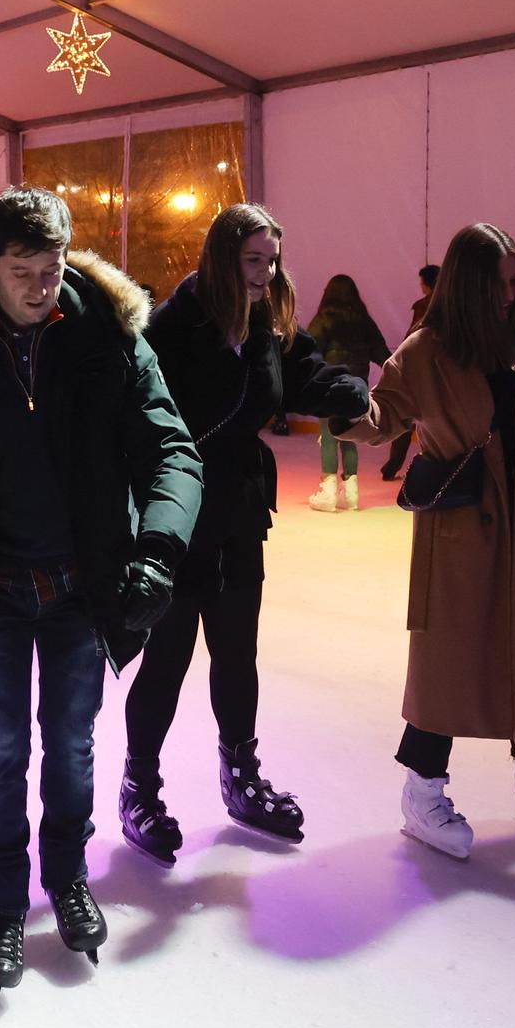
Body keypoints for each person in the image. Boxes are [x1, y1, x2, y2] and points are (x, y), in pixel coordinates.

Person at [0, 186, 202, 1001]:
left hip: (75, 586)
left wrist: (158, 551)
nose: (38, 286)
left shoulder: (111, 341)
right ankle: (0, 902)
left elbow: (172, 450)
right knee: (0, 752)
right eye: (20, 270)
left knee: (70, 744)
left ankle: (65, 875)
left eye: (51, 267)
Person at [331, 223, 515, 860]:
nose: (508, 295)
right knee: (448, 665)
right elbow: (382, 418)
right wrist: (335, 401)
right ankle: (423, 789)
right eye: (497, 284)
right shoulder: (425, 352)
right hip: (458, 534)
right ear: (466, 285)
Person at [121, 205, 369, 864]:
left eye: (272, 261)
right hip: (177, 515)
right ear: (223, 259)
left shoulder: (269, 323)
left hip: (239, 512)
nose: (265, 274)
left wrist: (346, 390)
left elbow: (304, 376)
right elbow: (138, 415)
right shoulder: (174, 327)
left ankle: (241, 778)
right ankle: (138, 788)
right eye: (253, 261)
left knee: (237, 654)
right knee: (167, 660)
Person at [305, 274, 391, 512]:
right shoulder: (364, 321)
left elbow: (310, 350)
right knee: (351, 435)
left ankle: (328, 491)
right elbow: (382, 353)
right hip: (357, 387)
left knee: (329, 435)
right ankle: (351, 493)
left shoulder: (324, 319)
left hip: (331, 385)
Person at [380, 265, 441, 480]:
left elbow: (412, 338)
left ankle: (393, 466)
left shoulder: (425, 308)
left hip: (420, 374)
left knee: (406, 418)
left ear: (427, 284)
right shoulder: (453, 307)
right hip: (441, 376)